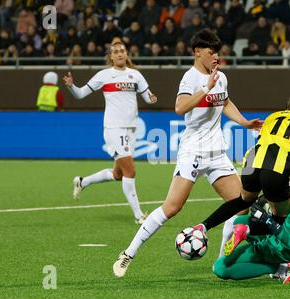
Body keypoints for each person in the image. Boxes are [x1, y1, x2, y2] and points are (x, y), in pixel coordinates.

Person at [112, 28, 263, 278]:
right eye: (211, 52)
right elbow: (179, 107)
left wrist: (244, 122)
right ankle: (129, 253)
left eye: (218, 52)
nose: (216, 56)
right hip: (193, 152)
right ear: (197, 52)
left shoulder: (221, 77)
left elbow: (224, 102)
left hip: (217, 153)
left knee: (242, 204)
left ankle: (222, 261)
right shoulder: (191, 78)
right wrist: (206, 88)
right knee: (172, 208)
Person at [190, 86, 290, 250]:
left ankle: (204, 227)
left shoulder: (273, 117)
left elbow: (264, 143)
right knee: (281, 216)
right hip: (276, 169)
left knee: (242, 201)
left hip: (252, 162)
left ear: (288, 107)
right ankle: (275, 260)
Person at [63, 40, 157, 225]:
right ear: (111, 57)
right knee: (130, 170)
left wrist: (151, 98)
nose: (120, 53)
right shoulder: (104, 75)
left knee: (118, 174)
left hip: (131, 129)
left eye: (122, 50)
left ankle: (82, 182)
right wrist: (71, 86)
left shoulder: (135, 75)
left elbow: (147, 95)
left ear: (127, 54)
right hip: (114, 128)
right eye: (116, 51)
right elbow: (81, 94)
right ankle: (139, 216)